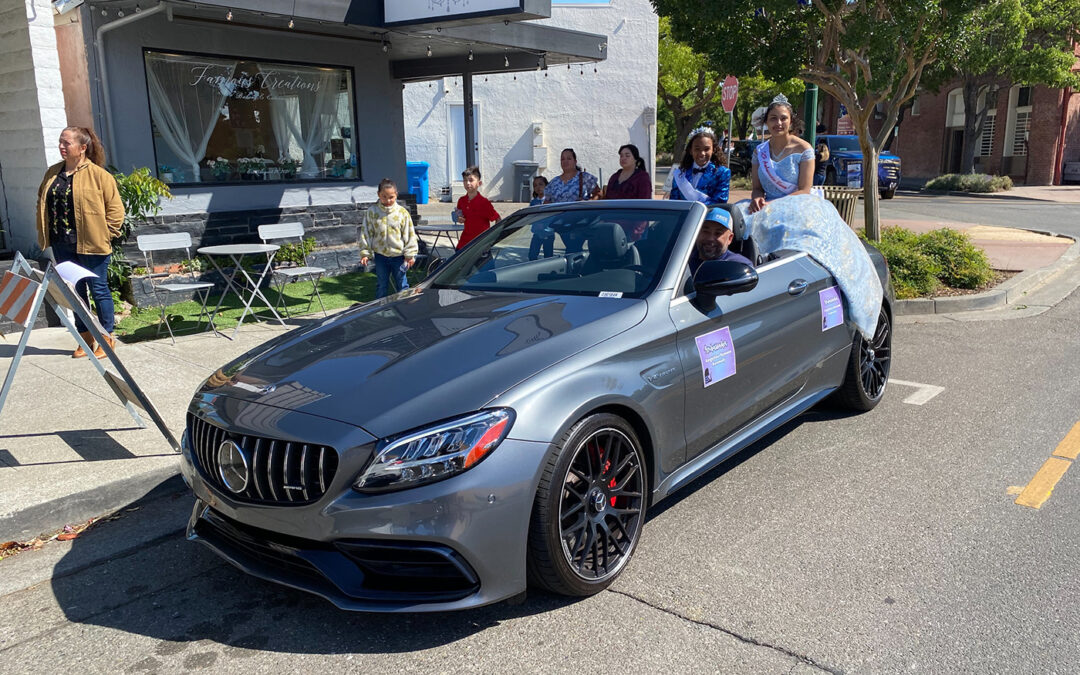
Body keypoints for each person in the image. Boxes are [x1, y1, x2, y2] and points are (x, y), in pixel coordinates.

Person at [36, 126, 124, 359]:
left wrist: (106, 234)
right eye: (60, 142)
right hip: (61, 243)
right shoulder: (53, 172)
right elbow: (41, 200)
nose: (62, 147)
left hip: (92, 244)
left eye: (67, 143)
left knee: (99, 290)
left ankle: (106, 337)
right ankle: (85, 337)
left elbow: (116, 211)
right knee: (75, 292)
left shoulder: (99, 175)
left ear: (82, 148)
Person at [748, 95, 815, 213]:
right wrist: (757, 198)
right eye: (773, 118)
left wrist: (773, 204)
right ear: (766, 122)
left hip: (797, 209)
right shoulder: (759, 151)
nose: (778, 123)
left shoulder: (803, 149)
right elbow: (757, 189)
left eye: (783, 118)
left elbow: (804, 190)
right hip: (765, 209)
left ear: (791, 122)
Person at [359, 178, 418, 299]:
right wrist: (365, 253)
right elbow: (366, 233)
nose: (387, 200)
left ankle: (405, 308)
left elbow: (409, 234)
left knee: (402, 284)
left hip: (399, 256)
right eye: (384, 196)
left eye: (391, 197)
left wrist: (410, 254)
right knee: (381, 284)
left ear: (396, 195)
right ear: (378, 195)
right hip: (381, 256)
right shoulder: (372, 212)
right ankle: (379, 311)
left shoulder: (402, 213)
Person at [669, 126, 730, 205]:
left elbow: (720, 202)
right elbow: (674, 202)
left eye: (706, 149)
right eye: (697, 149)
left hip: (708, 216)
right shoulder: (680, 174)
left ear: (713, 150)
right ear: (691, 150)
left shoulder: (722, 173)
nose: (702, 153)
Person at [688, 207, 752, 276]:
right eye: (705, 231)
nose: (710, 238)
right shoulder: (683, 261)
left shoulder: (739, 267)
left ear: (730, 238)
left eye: (718, 233)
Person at [453, 166, 500, 250]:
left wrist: (493, 238)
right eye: (465, 180)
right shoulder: (461, 200)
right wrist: (460, 218)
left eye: (471, 180)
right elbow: (460, 217)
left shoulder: (484, 203)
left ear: (479, 183)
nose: (467, 183)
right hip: (464, 243)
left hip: (481, 245)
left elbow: (498, 219)